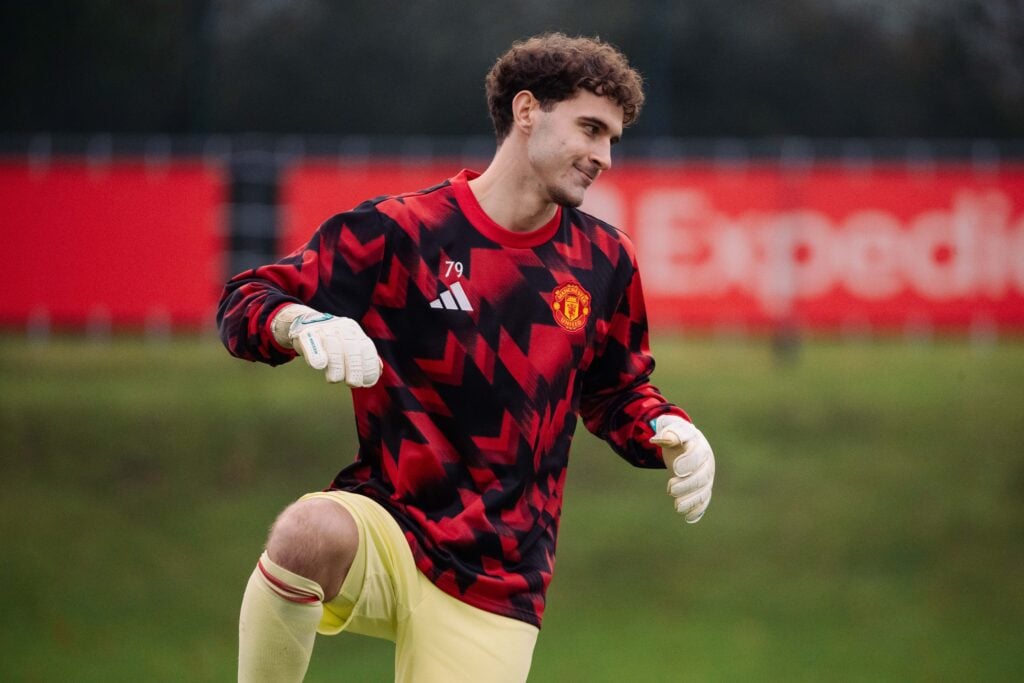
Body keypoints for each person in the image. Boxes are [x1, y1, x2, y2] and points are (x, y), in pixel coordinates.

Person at [218, 31, 716, 683]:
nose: (604, 156)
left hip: (501, 577)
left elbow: (617, 390)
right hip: (391, 521)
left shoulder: (605, 261)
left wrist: (669, 430)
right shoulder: (404, 231)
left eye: (612, 139)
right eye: (591, 129)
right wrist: (296, 320)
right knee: (306, 531)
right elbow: (246, 299)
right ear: (528, 110)